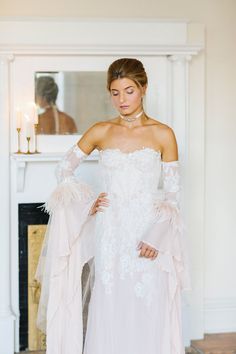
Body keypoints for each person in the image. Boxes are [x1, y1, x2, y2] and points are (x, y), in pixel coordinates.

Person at [35, 58, 190, 354]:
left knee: (149, 302)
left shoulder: (163, 134)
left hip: (148, 232)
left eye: (129, 91)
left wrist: (157, 236)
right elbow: (63, 170)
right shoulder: (100, 130)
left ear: (144, 88)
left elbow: (173, 196)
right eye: (115, 92)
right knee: (110, 302)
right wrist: (86, 203)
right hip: (111, 233)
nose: (122, 100)